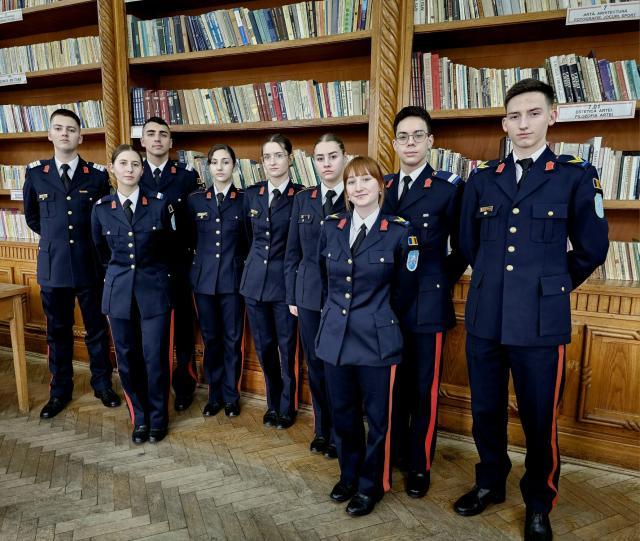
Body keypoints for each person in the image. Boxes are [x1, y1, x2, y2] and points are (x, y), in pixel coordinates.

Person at [455, 79, 609, 541]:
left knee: (540, 418)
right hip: (486, 317)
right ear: (504, 123)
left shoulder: (574, 175)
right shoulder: (483, 177)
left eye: (533, 114)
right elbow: (467, 241)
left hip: (541, 321)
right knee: (485, 410)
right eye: (515, 116)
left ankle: (539, 501)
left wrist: (550, 287)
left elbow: (592, 247)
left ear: (551, 117)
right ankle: (489, 483)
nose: (523, 124)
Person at [317, 156, 418, 517]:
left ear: (381, 185)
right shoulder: (331, 227)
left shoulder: (399, 231)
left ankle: (371, 484)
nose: (359, 187)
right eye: (352, 182)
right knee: (342, 413)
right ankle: (348, 475)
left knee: (379, 419)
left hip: (376, 340)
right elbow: (323, 276)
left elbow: (405, 292)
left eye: (366, 180)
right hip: (335, 338)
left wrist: (379, 318)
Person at [383, 106, 467, 498]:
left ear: (431, 141)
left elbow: (465, 246)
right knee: (393, 384)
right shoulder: (382, 186)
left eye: (418, 135)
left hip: (427, 305)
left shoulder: (449, 187)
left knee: (423, 389)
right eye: (403, 136)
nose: (410, 142)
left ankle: (420, 464)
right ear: (395, 142)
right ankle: (397, 451)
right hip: (386, 304)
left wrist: (437, 281)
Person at [23, 108, 121, 419]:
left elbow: (105, 218)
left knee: (96, 329)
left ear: (80, 136)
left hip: (90, 265)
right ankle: (59, 390)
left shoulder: (96, 176)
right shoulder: (37, 174)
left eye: (71, 129)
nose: (65, 133)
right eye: (59, 128)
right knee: (58, 332)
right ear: (50, 135)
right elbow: (33, 218)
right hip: (54, 267)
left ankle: (103, 384)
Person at [91, 144, 175, 444]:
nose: (129, 169)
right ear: (112, 168)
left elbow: (170, 248)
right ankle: (139, 417)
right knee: (127, 358)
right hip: (118, 294)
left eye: (135, 164)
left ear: (142, 169)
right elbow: (100, 252)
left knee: (155, 357)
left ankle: (158, 417)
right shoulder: (101, 208)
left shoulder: (159, 204)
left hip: (154, 292)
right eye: (123, 163)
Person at [284, 133, 348, 458]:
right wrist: (292, 296)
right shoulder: (303, 198)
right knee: (315, 366)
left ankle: (342, 432)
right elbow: (291, 252)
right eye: (320, 158)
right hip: (308, 296)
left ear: (344, 158)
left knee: (339, 368)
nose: (326, 164)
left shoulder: (355, 195)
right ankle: (322, 430)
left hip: (342, 299)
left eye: (332, 156)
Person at [240, 134, 303, 430]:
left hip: (285, 285)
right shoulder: (251, 194)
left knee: (287, 347)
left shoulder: (301, 196)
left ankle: (288, 405)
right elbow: (247, 238)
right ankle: (272, 402)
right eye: (267, 157)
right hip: (254, 284)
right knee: (264, 347)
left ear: (289, 158)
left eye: (278, 155)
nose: (272, 162)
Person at [139, 116, 201, 412]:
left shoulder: (186, 175)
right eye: (151, 134)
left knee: (185, 330)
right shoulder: (134, 171)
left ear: (171, 142)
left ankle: (185, 384)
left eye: (163, 134)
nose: (157, 139)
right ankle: (154, 388)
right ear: (143, 142)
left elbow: (195, 220)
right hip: (147, 266)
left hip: (180, 264)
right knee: (152, 333)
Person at [187, 144, 249, 418]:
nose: (220, 167)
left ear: (234, 165)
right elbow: (188, 240)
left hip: (233, 281)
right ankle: (214, 395)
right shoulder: (195, 200)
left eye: (226, 162)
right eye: (215, 162)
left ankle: (232, 396)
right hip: (204, 282)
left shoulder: (245, 199)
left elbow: (249, 241)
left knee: (233, 340)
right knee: (211, 340)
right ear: (208, 167)